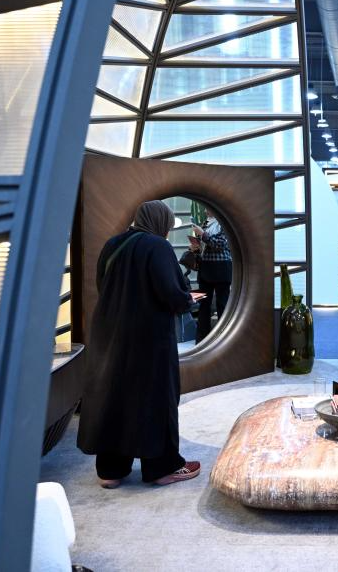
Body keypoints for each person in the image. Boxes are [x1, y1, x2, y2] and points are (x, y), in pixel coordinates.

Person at [77, 200, 201, 488]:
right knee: (155, 398)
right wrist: (188, 300)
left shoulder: (113, 244)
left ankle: (111, 471)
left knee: (115, 396)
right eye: (167, 226)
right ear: (160, 222)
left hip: (110, 333)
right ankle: (163, 468)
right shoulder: (158, 247)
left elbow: (103, 285)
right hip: (149, 338)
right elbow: (171, 292)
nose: (167, 232)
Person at [191, 208, 232, 343]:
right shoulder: (205, 223)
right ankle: (201, 340)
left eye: (207, 208)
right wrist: (195, 247)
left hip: (221, 269)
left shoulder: (224, 223)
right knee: (203, 305)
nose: (204, 210)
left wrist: (203, 234)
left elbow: (220, 244)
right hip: (206, 269)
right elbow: (205, 245)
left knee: (222, 305)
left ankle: (223, 340)